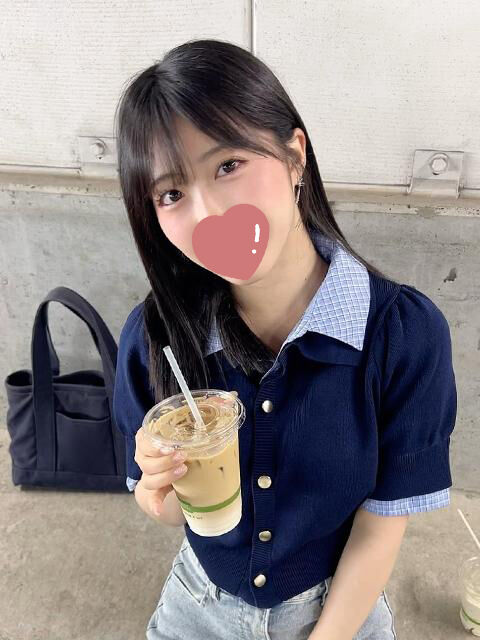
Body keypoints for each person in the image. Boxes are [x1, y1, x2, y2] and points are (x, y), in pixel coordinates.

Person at [112, 39, 457, 640]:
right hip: (196, 606)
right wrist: (158, 486)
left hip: (338, 615)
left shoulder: (401, 336)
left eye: (228, 166)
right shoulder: (156, 337)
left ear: (295, 155)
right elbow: (171, 513)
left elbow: (381, 525)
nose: (207, 214)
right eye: (172, 194)